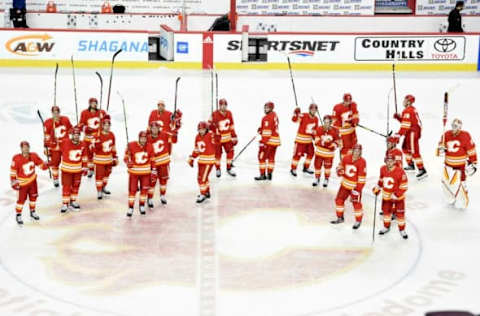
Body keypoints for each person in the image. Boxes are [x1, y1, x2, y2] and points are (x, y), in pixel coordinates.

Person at [437, 118, 477, 208]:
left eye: (456, 127)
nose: (453, 128)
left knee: (462, 183)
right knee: (447, 183)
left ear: (459, 127)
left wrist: (474, 162)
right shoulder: (446, 134)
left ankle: (463, 201)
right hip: (448, 166)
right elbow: (439, 148)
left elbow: (471, 150)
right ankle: (451, 198)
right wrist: (441, 149)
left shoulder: (465, 136)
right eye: (452, 126)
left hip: (460, 166)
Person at [10, 141, 48, 224]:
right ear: (21, 149)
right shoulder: (16, 158)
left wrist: (47, 164)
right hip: (22, 184)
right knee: (21, 200)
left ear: (29, 148)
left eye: (27, 147)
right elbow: (13, 172)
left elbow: (41, 166)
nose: (26, 149)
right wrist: (13, 181)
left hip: (32, 182)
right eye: (24, 147)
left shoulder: (33, 156)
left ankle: (32, 212)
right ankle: (18, 215)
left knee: (33, 198)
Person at [373, 154, 409, 239]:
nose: (389, 163)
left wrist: (397, 194)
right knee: (386, 213)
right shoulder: (382, 169)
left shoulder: (400, 171)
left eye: (391, 161)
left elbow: (404, 186)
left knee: (400, 215)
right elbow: (381, 180)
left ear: (394, 161)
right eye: (387, 161)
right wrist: (377, 187)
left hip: (398, 198)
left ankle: (402, 230)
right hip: (386, 197)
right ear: (385, 161)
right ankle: (386, 227)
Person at [331, 144, 366, 229]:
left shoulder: (362, 162)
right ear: (353, 150)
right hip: (344, 185)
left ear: (360, 152)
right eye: (355, 151)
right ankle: (340, 217)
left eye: (359, 151)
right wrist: (339, 170)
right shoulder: (346, 158)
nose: (357, 153)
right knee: (339, 200)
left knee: (356, 204)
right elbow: (339, 167)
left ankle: (358, 221)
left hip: (355, 187)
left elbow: (362, 178)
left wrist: (357, 190)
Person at [394, 94, 427, 180]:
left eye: (405, 100)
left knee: (414, 150)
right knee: (404, 148)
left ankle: (422, 169)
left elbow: (405, 125)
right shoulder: (409, 110)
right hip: (411, 131)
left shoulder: (408, 110)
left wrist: (398, 135)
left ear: (408, 102)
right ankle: (411, 165)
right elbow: (406, 122)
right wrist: (399, 118)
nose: (403, 101)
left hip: (413, 131)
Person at [124, 131, 155, 217]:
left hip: (146, 173)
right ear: (139, 138)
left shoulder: (150, 146)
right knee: (132, 190)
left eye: (145, 138)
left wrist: (154, 170)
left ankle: (142, 205)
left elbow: (152, 159)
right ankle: (130, 208)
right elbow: (126, 157)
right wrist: (128, 161)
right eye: (142, 138)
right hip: (134, 173)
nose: (143, 139)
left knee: (144, 190)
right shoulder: (131, 145)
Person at [147, 121, 176, 207]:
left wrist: (175, 129)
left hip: (164, 163)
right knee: (152, 182)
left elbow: (174, 139)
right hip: (153, 165)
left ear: (159, 128)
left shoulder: (165, 134)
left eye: (156, 128)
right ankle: (150, 198)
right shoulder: (147, 138)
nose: (154, 129)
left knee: (163, 181)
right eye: (153, 128)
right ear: (150, 129)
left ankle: (162, 195)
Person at [59, 127, 88, 213]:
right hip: (66, 170)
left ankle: (73, 201)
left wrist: (85, 167)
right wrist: (50, 142)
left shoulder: (83, 144)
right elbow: (56, 146)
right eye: (74, 134)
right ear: (71, 135)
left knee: (76, 186)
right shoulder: (65, 142)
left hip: (77, 170)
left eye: (78, 134)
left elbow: (84, 156)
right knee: (66, 187)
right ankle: (65, 203)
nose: (76, 136)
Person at [43, 105, 73, 187]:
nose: (56, 114)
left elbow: (70, 129)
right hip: (55, 147)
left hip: (65, 145)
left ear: (59, 113)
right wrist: (47, 146)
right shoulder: (48, 122)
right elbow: (46, 136)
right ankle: (55, 178)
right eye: (54, 113)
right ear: (52, 113)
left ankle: (69, 178)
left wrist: (73, 131)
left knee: (68, 162)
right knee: (55, 163)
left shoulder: (65, 119)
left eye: (57, 112)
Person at [209, 98, 238, 178]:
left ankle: (229, 168)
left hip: (227, 139)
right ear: (219, 106)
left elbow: (232, 126)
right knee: (217, 155)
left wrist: (234, 136)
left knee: (231, 152)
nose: (224, 107)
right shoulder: (214, 114)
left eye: (225, 105)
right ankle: (218, 169)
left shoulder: (229, 113)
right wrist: (212, 126)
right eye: (222, 105)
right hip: (217, 139)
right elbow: (208, 126)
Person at [188, 122, 216, 204]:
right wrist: (192, 157)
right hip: (201, 161)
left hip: (209, 161)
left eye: (203, 129)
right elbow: (197, 149)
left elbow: (217, 142)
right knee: (204, 178)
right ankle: (206, 192)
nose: (201, 131)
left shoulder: (211, 135)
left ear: (207, 129)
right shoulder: (197, 137)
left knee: (201, 179)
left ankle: (203, 194)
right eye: (200, 129)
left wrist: (216, 132)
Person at [79, 97, 107, 178]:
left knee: (100, 154)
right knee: (89, 154)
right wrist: (85, 128)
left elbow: (106, 123)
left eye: (95, 103)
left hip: (98, 137)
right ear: (89, 104)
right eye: (92, 103)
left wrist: (106, 117)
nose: (94, 104)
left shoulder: (101, 112)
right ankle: (91, 169)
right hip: (88, 137)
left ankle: (101, 170)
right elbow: (80, 124)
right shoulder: (84, 113)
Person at [92, 115, 118, 200]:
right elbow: (91, 149)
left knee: (107, 175)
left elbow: (113, 147)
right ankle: (99, 191)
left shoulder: (112, 135)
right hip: (99, 160)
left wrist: (115, 157)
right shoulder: (96, 135)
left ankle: (103, 187)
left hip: (109, 160)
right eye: (105, 125)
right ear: (102, 126)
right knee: (99, 176)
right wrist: (96, 145)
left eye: (109, 125)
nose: (107, 127)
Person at [290, 103, 319, 177]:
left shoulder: (316, 119)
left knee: (311, 153)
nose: (313, 111)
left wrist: (316, 138)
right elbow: (294, 120)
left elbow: (314, 130)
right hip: (300, 141)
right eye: (312, 109)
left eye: (315, 109)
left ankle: (306, 167)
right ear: (309, 109)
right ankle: (293, 169)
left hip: (309, 141)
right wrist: (296, 113)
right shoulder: (303, 115)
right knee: (297, 155)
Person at [312, 115, 340, 188]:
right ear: (323, 122)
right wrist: (324, 143)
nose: (326, 124)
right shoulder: (319, 129)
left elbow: (338, 142)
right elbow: (316, 141)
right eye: (325, 122)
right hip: (319, 153)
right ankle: (317, 178)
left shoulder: (335, 130)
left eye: (328, 122)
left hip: (329, 155)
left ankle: (326, 179)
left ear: (330, 122)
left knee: (327, 167)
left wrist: (333, 145)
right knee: (317, 166)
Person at [255, 101, 281, 181]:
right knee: (271, 158)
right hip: (275, 141)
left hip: (269, 141)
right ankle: (270, 174)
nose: (265, 109)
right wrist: (261, 130)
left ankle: (262, 175)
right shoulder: (275, 115)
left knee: (261, 158)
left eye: (267, 108)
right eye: (265, 107)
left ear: (271, 108)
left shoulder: (266, 118)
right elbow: (271, 128)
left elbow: (267, 132)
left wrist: (263, 142)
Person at [332, 93, 359, 159]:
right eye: (347, 101)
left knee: (354, 146)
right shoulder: (337, 107)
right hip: (343, 132)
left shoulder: (353, 105)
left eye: (350, 101)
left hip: (352, 131)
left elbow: (355, 114)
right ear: (343, 100)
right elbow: (334, 121)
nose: (348, 102)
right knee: (345, 148)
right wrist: (344, 124)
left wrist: (355, 121)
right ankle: (343, 162)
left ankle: (352, 160)